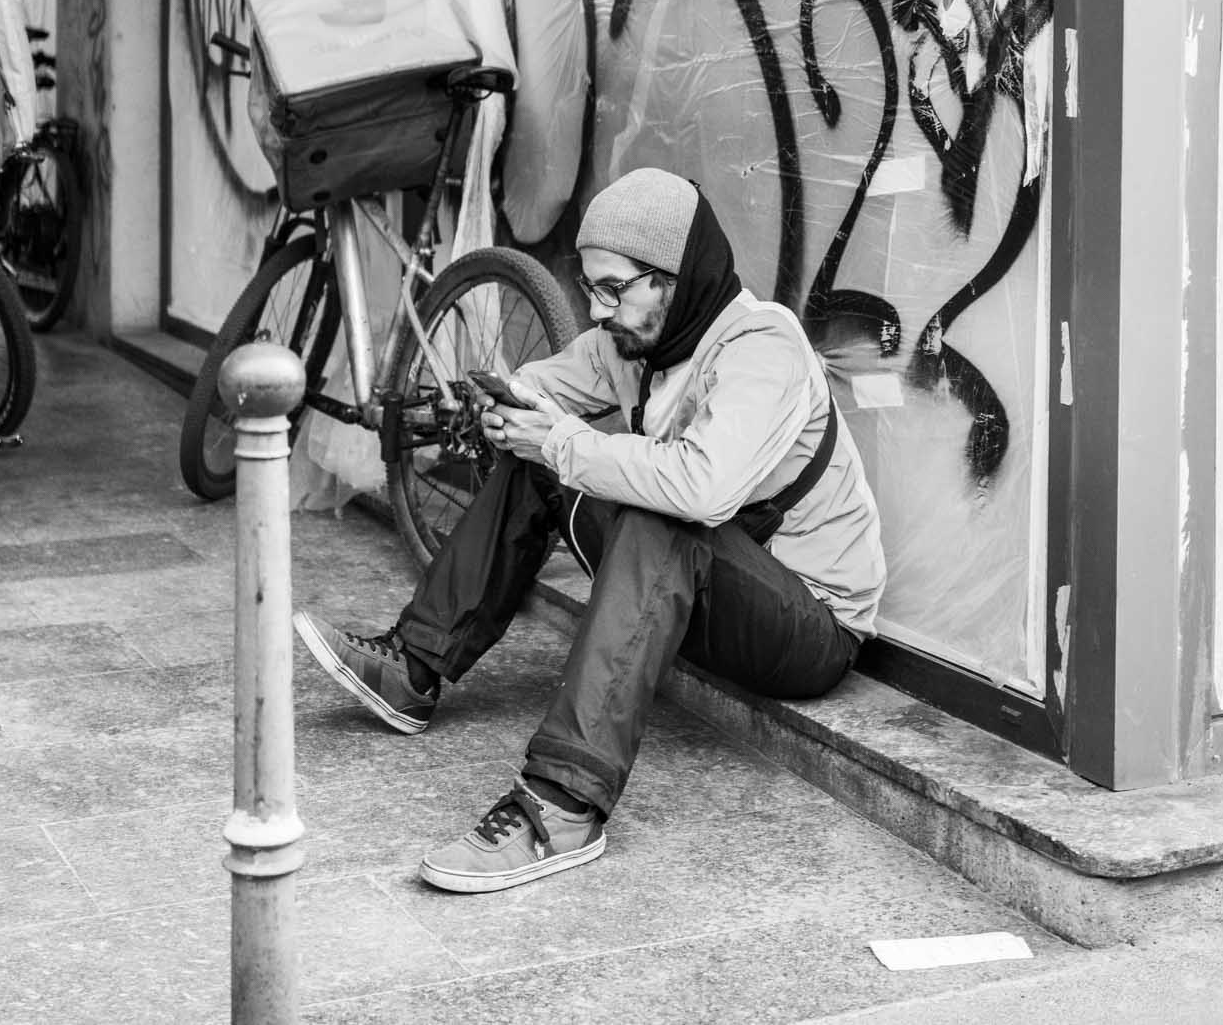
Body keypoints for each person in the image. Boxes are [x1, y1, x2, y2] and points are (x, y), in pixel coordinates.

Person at [292, 166, 887, 894]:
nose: (598, 309)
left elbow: (702, 486)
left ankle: (565, 803)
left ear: (671, 277)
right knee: (547, 456)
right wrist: (509, 411)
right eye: (590, 288)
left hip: (810, 628)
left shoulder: (763, 349)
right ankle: (415, 666)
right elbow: (548, 384)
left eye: (613, 289)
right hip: (713, 596)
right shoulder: (637, 341)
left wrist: (560, 441)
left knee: (655, 501)